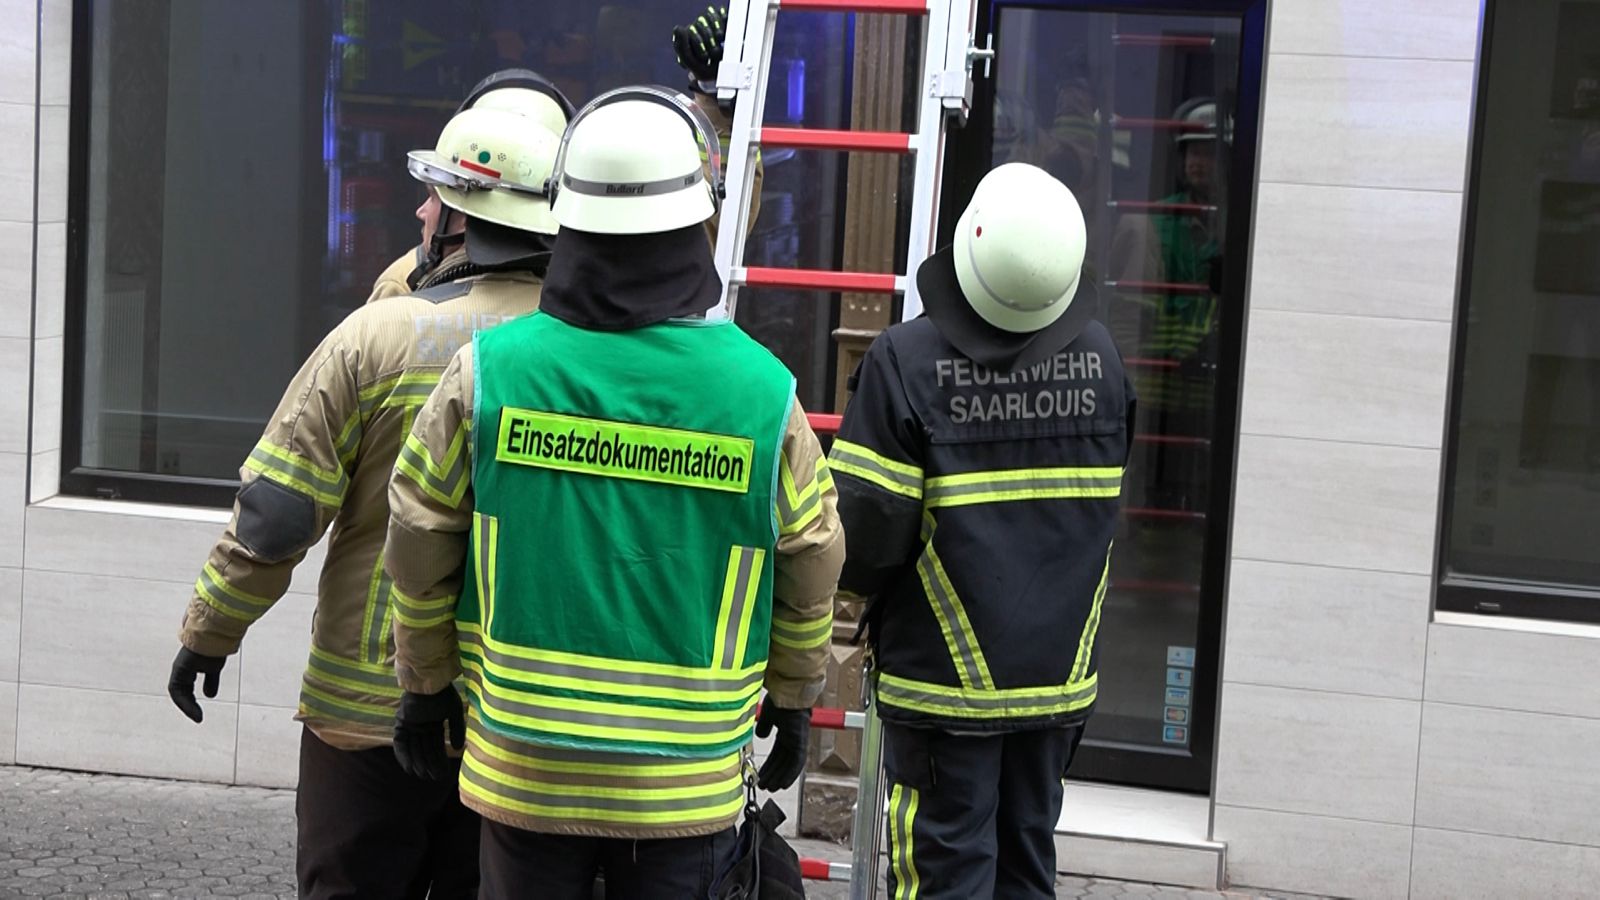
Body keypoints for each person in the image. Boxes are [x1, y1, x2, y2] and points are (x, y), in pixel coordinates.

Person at [381, 87, 843, 899]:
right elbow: (812, 558)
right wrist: (795, 695)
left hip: (524, 771)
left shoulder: (489, 374)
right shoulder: (762, 395)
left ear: (568, 220)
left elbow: (418, 541)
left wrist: (423, 686)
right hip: (685, 788)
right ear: (695, 228)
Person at [165, 103, 565, 899]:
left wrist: (209, 633)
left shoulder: (374, 338)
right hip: (518, 723)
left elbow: (278, 516)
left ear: (461, 217)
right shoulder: (588, 363)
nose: (419, 212)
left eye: (433, 196)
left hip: (368, 713)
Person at [830, 163, 1134, 899]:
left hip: (943, 691)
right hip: (1057, 683)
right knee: (1026, 865)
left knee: (945, 874)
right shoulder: (1104, 361)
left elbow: (863, 541)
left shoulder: (905, 362)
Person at [366, 68, 575, 304]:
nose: (420, 212)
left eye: (434, 197)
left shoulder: (397, 295)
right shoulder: (577, 296)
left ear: (467, 211)